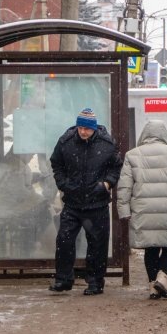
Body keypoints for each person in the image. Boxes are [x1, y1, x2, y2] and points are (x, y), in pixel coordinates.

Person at [117, 121, 167, 299]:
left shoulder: (132, 155)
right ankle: (162, 276)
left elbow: (124, 187)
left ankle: (153, 285)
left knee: (150, 248)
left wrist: (124, 211)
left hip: (143, 210)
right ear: (165, 135)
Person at [48, 108, 122, 295]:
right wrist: (63, 184)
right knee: (64, 241)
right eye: (80, 127)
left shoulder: (107, 144)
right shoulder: (66, 142)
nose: (83, 132)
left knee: (97, 245)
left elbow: (116, 167)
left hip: (97, 203)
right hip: (72, 202)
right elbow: (56, 163)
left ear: (94, 128)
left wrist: (106, 184)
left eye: (87, 129)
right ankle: (63, 279)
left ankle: (96, 282)